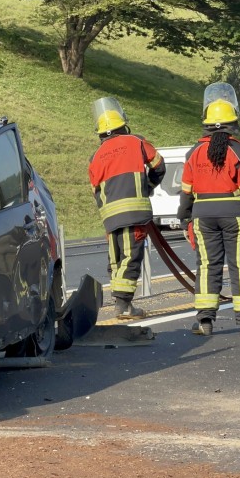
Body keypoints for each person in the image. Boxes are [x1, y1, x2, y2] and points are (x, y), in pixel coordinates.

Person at [176, 82, 240, 336]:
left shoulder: (193, 153)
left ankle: (204, 321)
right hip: (236, 217)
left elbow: (186, 192)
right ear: (234, 120)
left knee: (207, 265)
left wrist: (184, 220)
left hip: (202, 216)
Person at [88, 97, 166, 319]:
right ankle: (124, 305)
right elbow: (159, 167)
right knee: (132, 256)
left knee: (117, 258)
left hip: (110, 216)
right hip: (135, 213)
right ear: (123, 124)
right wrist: (147, 187)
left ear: (101, 132)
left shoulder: (95, 156)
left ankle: (120, 302)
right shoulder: (136, 142)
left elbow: (95, 189)